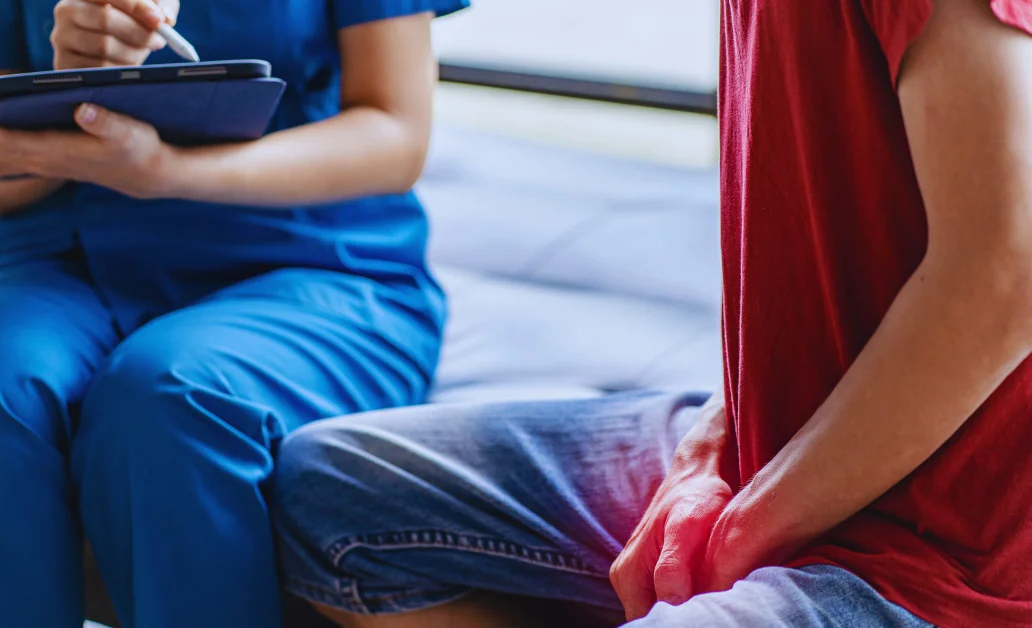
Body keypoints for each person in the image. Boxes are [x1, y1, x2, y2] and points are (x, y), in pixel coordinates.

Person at [271, 0, 1032, 626]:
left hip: (952, 555)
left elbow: (1008, 274)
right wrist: (714, 441)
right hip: (786, 438)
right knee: (331, 492)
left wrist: (740, 533)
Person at [0, 0, 467, 625]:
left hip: (312, 256)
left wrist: (171, 172)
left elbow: (395, 132)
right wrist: (70, 89)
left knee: (171, 396)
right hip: (57, 249)